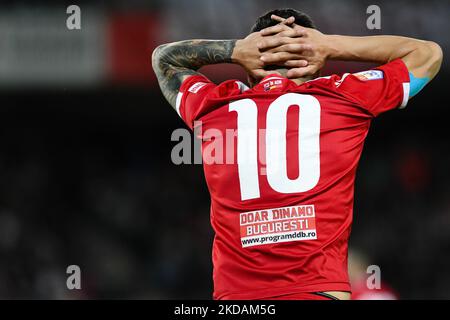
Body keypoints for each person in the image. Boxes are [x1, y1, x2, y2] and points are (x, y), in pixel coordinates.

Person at [152, 8, 442, 300]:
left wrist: (235, 49)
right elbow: (428, 55)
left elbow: (164, 59)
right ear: (315, 64)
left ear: (250, 67)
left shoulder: (213, 107)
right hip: (318, 292)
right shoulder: (344, 98)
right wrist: (330, 46)